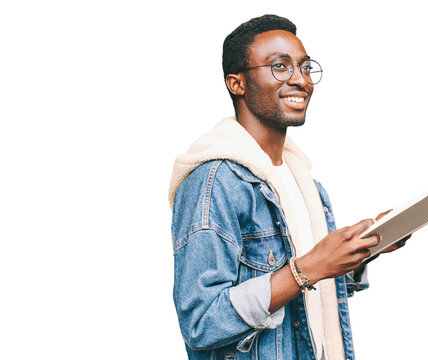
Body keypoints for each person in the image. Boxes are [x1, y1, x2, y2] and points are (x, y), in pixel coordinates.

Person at [168, 14, 407, 360]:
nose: (301, 80)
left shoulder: (302, 179)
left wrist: (361, 250)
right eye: (280, 66)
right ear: (237, 84)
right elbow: (201, 322)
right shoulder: (214, 180)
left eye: (305, 67)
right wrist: (307, 268)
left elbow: (310, 295)